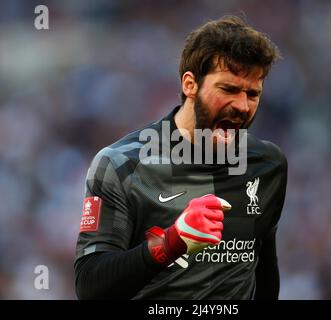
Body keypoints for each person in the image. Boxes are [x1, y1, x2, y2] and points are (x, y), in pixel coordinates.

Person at [74, 15, 287, 299]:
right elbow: (90, 286)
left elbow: (264, 280)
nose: (242, 106)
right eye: (229, 89)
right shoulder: (121, 164)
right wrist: (173, 241)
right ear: (190, 84)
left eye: (252, 93)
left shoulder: (268, 165)